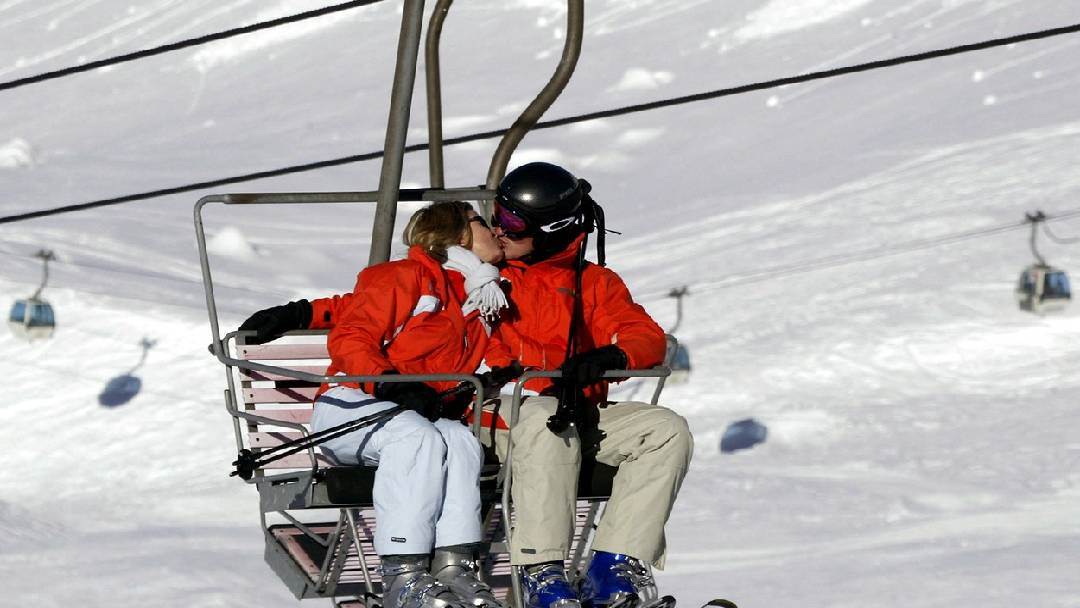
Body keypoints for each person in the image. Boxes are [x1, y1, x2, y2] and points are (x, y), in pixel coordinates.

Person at [238, 164, 693, 608]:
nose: (500, 229)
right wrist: (301, 313)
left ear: (553, 228)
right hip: (495, 412)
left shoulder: (592, 284)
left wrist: (611, 357)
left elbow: (646, 337)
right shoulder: (487, 279)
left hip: (569, 411)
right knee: (542, 419)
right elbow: (378, 302)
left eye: (513, 221)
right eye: (496, 216)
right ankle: (541, 572)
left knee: (665, 429)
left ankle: (613, 572)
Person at [310, 200, 514, 608]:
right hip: (352, 404)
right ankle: (402, 575)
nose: (495, 230)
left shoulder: (480, 295)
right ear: (458, 234)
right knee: (416, 437)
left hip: (417, 414)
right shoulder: (403, 276)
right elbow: (352, 336)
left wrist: (498, 375)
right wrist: (389, 384)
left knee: (458, 439)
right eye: (482, 222)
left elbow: (497, 356)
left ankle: (455, 566)